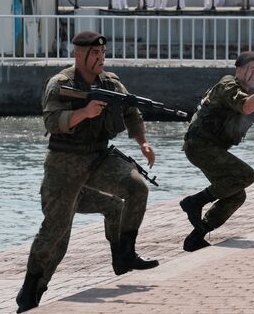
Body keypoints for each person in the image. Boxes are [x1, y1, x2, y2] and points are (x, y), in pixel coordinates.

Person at [15, 31, 159, 313]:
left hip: (98, 156)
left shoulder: (111, 83)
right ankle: (32, 288)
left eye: (103, 54)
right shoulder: (61, 84)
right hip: (64, 162)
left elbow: (131, 112)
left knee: (137, 187)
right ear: (79, 55)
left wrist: (143, 141)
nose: (101, 59)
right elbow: (52, 120)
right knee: (56, 232)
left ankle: (125, 253)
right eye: (95, 54)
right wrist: (84, 112)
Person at [180, 51, 254, 252]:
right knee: (246, 175)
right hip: (199, 145)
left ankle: (196, 236)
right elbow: (245, 107)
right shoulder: (228, 85)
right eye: (252, 70)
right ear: (238, 70)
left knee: (236, 195)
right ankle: (194, 202)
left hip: (211, 148)